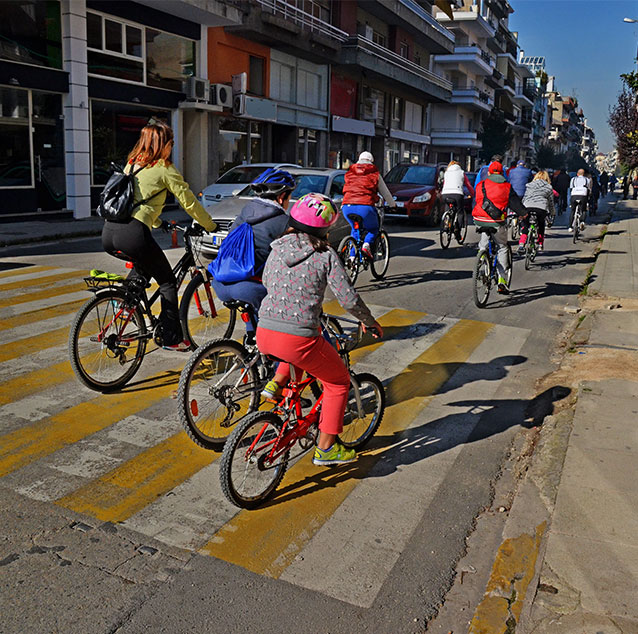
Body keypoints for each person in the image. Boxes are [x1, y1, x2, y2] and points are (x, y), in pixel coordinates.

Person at [256, 193, 383, 466]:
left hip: (265, 331)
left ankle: (275, 384)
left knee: (298, 357)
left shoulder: (277, 248)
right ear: (326, 227)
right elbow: (348, 299)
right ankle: (326, 449)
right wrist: (369, 320)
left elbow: (268, 281)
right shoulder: (325, 254)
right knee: (337, 383)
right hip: (298, 337)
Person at [101, 121, 216, 351]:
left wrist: (158, 222)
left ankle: (125, 304)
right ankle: (172, 338)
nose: (172, 148)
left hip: (110, 232)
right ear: (163, 144)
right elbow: (189, 202)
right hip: (133, 234)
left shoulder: (132, 165)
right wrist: (210, 226)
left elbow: (135, 201)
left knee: (144, 266)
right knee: (167, 282)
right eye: (171, 143)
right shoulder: (164, 168)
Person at [211, 167, 295, 349]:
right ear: (281, 197)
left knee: (255, 326)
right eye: (289, 197)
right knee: (282, 332)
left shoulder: (245, 213)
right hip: (249, 289)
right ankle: (275, 369)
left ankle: (251, 344)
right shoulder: (284, 222)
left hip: (220, 284)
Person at [472, 161, 527, 295]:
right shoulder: (507, 187)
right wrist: (524, 214)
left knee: (484, 241)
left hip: (479, 219)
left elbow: (478, 200)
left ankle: (482, 259)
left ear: (489, 172)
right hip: (497, 221)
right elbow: (515, 204)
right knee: (502, 246)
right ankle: (502, 279)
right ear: (502, 173)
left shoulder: (481, 185)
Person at [341, 151, 395, 258]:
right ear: (371, 162)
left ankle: (352, 257)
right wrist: (393, 205)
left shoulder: (350, 173)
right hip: (365, 207)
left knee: (355, 230)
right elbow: (385, 193)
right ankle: (366, 245)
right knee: (373, 229)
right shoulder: (374, 174)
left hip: (347, 206)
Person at [518, 171, 555, 253]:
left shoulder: (529, 185)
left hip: (528, 206)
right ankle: (540, 243)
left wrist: (521, 210)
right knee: (541, 225)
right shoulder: (548, 187)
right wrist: (552, 213)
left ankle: (521, 244)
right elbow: (551, 202)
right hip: (541, 208)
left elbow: (525, 197)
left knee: (525, 225)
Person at [441, 160, 474, 234]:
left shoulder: (446, 173)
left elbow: (444, 184)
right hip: (457, 194)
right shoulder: (461, 172)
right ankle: (457, 229)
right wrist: (473, 194)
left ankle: (446, 223)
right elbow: (468, 185)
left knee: (447, 208)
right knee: (460, 212)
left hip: (445, 193)